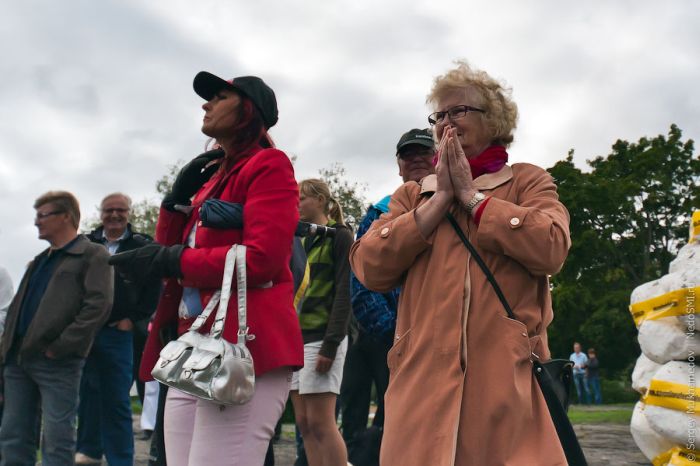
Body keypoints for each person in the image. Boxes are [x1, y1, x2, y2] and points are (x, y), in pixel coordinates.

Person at [350, 61, 572, 465]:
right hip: (419, 386)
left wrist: (473, 199)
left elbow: (552, 247)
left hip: (507, 385)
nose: (446, 123)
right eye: (440, 115)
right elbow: (368, 267)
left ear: (495, 119)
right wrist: (436, 204)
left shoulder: (527, 181)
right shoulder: (411, 196)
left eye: (459, 111)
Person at [109, 71, 304, 466]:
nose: (206, 104)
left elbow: (263, 260)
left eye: (219, 96)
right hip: (193, 345)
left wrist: (173, 260)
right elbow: (174, 249)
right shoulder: (213, 179)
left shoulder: (271, 165)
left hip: (245, 346)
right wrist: (174, 203)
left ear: (249, 109)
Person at [341, 128, 436, 461]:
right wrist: (397, 331)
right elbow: (361, 281)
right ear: (398, 165)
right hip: (388, 337)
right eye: (407, 155)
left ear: (439, 157)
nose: (415, 160)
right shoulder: (379, 212)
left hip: (440, 339)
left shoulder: (461, 205)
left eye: (423, 152)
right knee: (378, 419)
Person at [0, 190, 113, 465]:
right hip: (19, 360)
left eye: (43, 215)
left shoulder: (92, 254)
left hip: (58, 362)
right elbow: (16, 310)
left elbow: (98, 306)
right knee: (13, 434)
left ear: (65, 216)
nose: (37, 222)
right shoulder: (39, 260)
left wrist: (61, 347)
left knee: (57, 438)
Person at [75, 193, 161, 465]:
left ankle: (120, 458)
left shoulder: (141, 246)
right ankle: (87, 452)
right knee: (86, 392)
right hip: (85, 332)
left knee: (116, 396)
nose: (114, 215)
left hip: (119, 332)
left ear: (129, 213)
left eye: (120, 210)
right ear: (100, 213)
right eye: (109, 210)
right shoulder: (84, 244)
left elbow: (153, 288)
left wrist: (133, 320)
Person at [292, 179, 353, 466]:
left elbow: (344, 292)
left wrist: (331, 344)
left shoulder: (340, 236)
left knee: (321, 422)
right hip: (295, 340)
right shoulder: (299, 238)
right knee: (303, 423)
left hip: (323, 338)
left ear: (319, 200)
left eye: (302, 198)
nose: (298, 204)